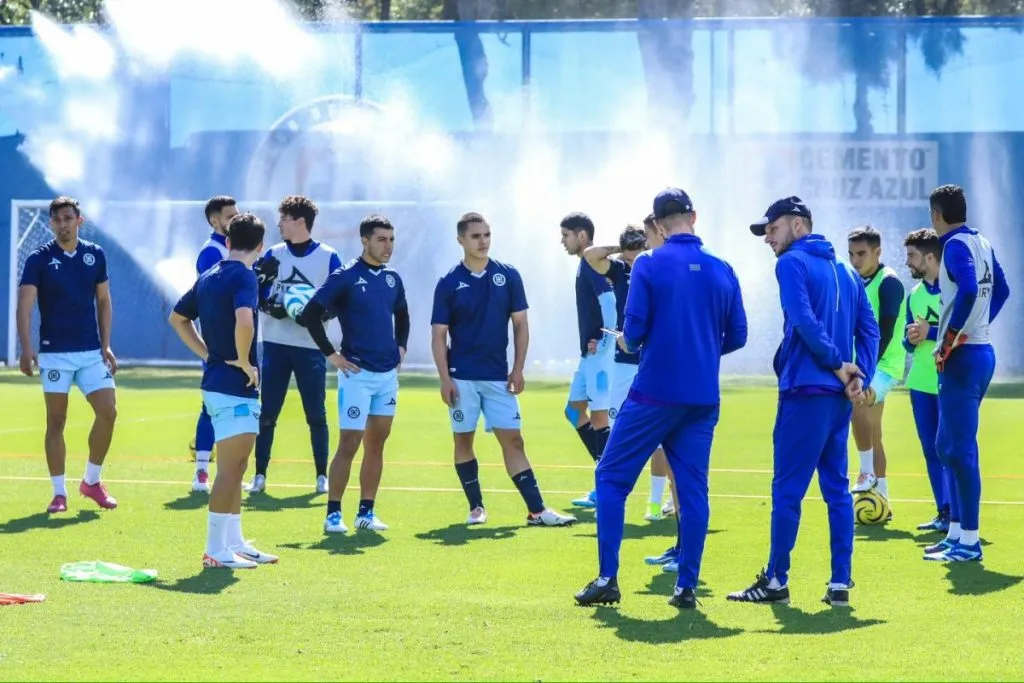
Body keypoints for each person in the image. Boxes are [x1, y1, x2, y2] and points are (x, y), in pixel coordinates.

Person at [574, 188, 748, 609]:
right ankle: (686, 586)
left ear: (655, 225)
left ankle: (608, 578)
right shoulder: (723, 266)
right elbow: (738, 336)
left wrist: (646, 343)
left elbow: (632, 334)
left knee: (611, 479)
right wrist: (699, 350)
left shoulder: (649, 264)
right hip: (703, 395)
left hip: (655, 393)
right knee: (692, 490)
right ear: (694, 215)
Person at [729, 196, 878, 607]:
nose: (767, 238)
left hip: (805, 393)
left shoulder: (791, 263)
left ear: (798, 226)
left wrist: (838, 365)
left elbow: (803, 319)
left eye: (772, 229)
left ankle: (776, 580)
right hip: (837, 400)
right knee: (837, 491)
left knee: (788, 490)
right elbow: (869, 330)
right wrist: (857, 373)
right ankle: (840, 583)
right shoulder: (848, 271)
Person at [430, 212, 576, 527]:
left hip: (498, 376)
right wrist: (444, 378)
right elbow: (439, 334)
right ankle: (476, 508)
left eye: (486, 235)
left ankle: (537, 511)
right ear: (461, 240)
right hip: (462, 377)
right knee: (463, 441)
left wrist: (518, 369)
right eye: (475, 236)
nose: (483, 241)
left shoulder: (508, 276)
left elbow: (521, 325)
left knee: (514, 441)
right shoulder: (448, 283)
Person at [169, 212, 278, 568]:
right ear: (260, 247)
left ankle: (235, 541)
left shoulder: (210, 274)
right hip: (234, 384)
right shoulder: (245, 275)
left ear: (228, 241)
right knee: (231, 469)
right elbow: (245, 319)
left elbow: (177, 318)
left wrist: (208, 354)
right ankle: (215, 549)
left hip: (219, 382)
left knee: (238, 465)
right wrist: (245, 361)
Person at [297, 215, 409, 534]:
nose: (388, 246)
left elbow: (402, 314)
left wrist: (400, 347)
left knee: (377, 445)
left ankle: (366, 513)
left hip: (386, 375)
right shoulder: (345, 276)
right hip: (356, 374)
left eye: (391, 239)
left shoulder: (392, 278)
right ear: (365, 241)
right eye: (381, 240)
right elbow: (310, 315)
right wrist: (332, 354)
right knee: (350, 442)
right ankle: (333, 513)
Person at [923, 184, 1009, 562]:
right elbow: (1002, 290)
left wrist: (953, 338)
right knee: (947, 446)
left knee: (960, 450)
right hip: (979, 352)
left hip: (963, 357)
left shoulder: (954, 245)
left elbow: (971, 289)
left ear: (936, 215)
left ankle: (970, 543)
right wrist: (979, 328)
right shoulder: (982, 242)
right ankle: (956, 533)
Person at [17, 196, 119, 514]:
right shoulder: (38, 259)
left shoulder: (95, 255)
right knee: (56, 420)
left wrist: (105, 345)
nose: (62, 224)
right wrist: (26, 347)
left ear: (79, 220)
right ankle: (59, 493)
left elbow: (103, 301)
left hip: (90, 352)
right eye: (57, 220)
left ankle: (92, 481)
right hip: (55, 354)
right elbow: (25, 305)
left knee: (108, 412)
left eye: (67, 218)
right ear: (51, 224)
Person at [246, 195, 342, 495]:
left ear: (300, 221)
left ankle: (321, 476)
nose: (279, 224)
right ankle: (260, 475)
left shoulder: (328, 256)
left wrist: (319, 313)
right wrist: (268, 305)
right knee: (268, 412)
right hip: (275, 343)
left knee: (316, 413)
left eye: (285, 219)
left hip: (310, 345)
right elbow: (255, 291)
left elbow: (339, 299)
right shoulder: (273, 254)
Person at [582, 224, 673, 523]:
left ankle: (657, 502)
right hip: (623, 362)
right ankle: (607, 496)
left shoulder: (658, 267)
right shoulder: (620, 270)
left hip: (652, 360)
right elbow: (589, 256)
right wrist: (621, 249)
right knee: (615, 428)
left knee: (660, 437)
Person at [559, 212, 617, 509]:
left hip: (600, 357)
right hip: (588, 357)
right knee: (572, 411)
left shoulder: (592, 264)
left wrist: (607, 341)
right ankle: (605, 472)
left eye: (566, 235)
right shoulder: (585, 266)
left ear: (582, 236)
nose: (562, 241)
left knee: (599, 420)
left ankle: (607, 485)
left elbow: (609, 302)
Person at [847, 226, 907, 508]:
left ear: (877, 252)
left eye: (861, 254)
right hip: (864, 364)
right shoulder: (852, 280)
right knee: (873, 431)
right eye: (851, 254)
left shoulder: (889, 282)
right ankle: (882, 498)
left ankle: (867, 471)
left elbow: (886, 331)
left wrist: (864, 372)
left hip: (883, 365)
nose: (855, 260)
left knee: (858, 399)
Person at [901, 228, 950, 533]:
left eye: (912, 256)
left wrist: (928, 332)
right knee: (930, 449)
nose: (907, 262)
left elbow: (962, 331)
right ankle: (943, 512)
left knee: (952, 449)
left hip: (948, 381)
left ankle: (960, 515)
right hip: (919, 383)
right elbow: (907, 343)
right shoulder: (914, 296)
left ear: (930, 257)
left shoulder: (954, 290)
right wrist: (911, 337)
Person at [189, 195, 238, 493]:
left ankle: (228, 472)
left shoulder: (237, 247)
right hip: (219, 342)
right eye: (229, 216)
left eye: (237, 214)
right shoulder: (211, 252)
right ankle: (201, 473)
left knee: (236, 407)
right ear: (214, 221)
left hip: (240, 341)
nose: (235, 219)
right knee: (211, 406)